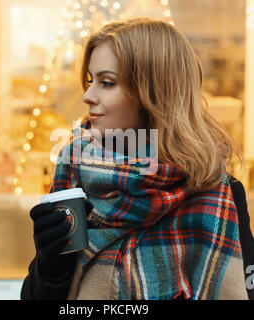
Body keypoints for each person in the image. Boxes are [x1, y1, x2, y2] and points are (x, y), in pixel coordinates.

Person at [21, 17, 254, 300]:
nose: (88, 95)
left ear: (154, 93)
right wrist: (50, 267)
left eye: (107, 83)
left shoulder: (215, 192)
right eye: (90, 81)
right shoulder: (75, 173)